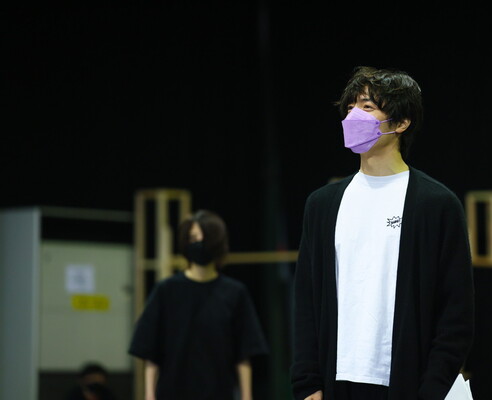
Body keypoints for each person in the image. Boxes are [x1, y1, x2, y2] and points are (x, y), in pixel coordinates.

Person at [291, 66, 474, 400]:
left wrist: (432, 388)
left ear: (401, 123)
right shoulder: (323, 204)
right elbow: (306, 299)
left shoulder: (435, 204)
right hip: (337, 381)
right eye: (350, 108)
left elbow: (456, 311)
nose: (353, 116)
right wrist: (307, 382)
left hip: (408, 382)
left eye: (367, 107)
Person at [128, 209, 269, 400]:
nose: (199, 243)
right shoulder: (166, 291)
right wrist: (149, 395)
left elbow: (244, 354)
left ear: (217, 242)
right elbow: (151, 351)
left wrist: (246, 396)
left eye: (205, 238)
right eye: (193, 238)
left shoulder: (235, 293)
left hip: (219, 393)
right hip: (172, 393)